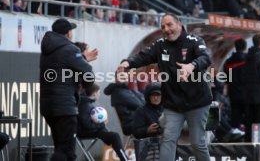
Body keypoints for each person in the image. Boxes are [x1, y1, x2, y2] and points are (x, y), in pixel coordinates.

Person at [117, 13, 212, 161]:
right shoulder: (160, 45)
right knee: (168, 139)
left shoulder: (194, 41)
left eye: (170, 25)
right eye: (163, 27)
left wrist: (191, 66)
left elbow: (206, 58)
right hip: (173, 104)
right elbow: (143, 56)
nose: (166, 29)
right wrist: (127, 63)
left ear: (179, 25)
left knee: (197, 143)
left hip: (197, 102)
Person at [40, 18, 94, 161]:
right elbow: (88, 73)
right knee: (67, 152)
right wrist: (87, 88)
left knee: (60, 148)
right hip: (65, 107)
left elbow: (63, 66)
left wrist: (82, 58)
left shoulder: (48, 49)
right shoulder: (70, 49)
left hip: (48, 107)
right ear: (68, 33)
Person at [77, 83, 129, 161]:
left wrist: (101, 124)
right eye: (99, 93)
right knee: (115, 136)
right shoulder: (84, 105)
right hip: (83, 132)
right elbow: (87, 125)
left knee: (113, 136)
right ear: (94, 94)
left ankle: (113, 143)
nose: (99, 95)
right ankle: (125, 159)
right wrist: (102, 124)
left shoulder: (86, 103)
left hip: (89, 130)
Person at [224, 38, 247, 129]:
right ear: (245, 47)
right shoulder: (248, 59)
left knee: (235, 118)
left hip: (233, 93)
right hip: (247, 94)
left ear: (235, 47)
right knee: (248, 118)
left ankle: (235, 137)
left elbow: (227, 78)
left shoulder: (228, 62)